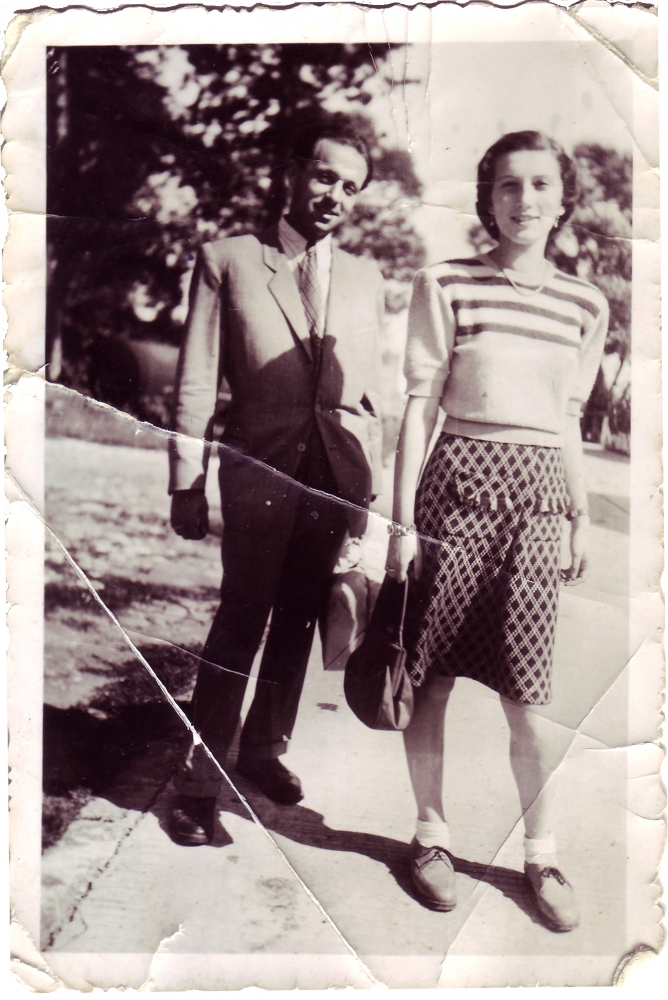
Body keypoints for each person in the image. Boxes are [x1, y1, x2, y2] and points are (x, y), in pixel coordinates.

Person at [386, 131, 608, 931]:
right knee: (431, 677)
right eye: (508, 186)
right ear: (488, 197)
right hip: (454, 488)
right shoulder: (445, 283)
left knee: (527, 697)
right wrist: (402, 521)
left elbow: (569, 417)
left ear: (561, 196)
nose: (524, 200)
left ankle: (541, 853)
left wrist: (581, 514)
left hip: (537, 503)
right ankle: (431, 836)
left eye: (540, 183)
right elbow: (420, 405)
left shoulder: (587, 303)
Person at [168, 116, 384, 845]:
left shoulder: (365, 279)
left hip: (334, 481)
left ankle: (263, 750)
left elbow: (369, 397)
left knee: (297, 623)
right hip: (258, 471)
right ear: (292, 171)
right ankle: (199, 783)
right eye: (325, 176)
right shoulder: (227, 259)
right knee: (240, 619)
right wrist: (186, 480)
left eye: (350, 187)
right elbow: (196, 377)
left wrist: (368, 495)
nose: (335, 196)